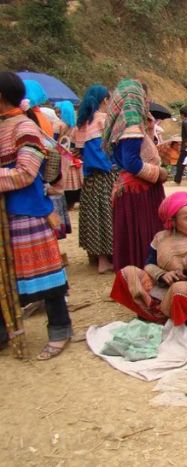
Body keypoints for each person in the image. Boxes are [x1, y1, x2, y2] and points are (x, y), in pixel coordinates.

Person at [0, 72, 71, 359]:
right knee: (5, 278)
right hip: (6, 216)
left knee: (46, 276)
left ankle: (60, 328)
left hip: (26, 212)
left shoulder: (24, 128)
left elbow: (27, 173)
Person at [110, 192, 187, 325]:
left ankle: (184, 319)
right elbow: (149, 264)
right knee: (128, 272)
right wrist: (162, 274)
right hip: (163, 287)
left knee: (179, 288)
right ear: (173, 221)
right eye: (186, 218)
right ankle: (154, 313)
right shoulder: (160, 238)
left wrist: (186, 263)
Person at [104, 79, 168, 271]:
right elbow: (132, 162)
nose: (147, 103)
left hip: (132, 189)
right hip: (138, 192)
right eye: (145, 99)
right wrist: (158, 173)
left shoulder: (123, 125)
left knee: (135, 237)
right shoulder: (131, 127)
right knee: (143, 237)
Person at [74, 84, 118, 273]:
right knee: (108, 216)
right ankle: (106, 259)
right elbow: (110, 150)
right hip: (106, 176)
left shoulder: (82, 124)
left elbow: (81, 151)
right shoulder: (104, 120)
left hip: (90, 179)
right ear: (105, 101)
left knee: (95, 217)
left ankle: (98, 258)